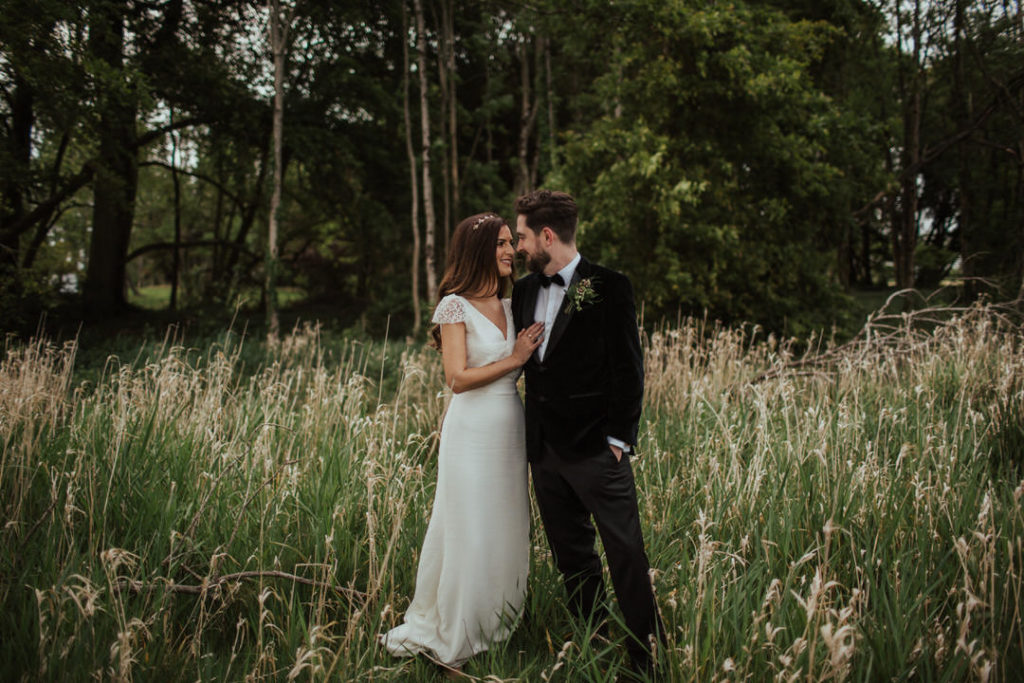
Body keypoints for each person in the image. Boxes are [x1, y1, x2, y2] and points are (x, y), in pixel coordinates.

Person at [380, 213, 545, 671]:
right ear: (477, 253)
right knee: (469, 525)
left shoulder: (513, 306)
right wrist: (515, 357)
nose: (510, 251)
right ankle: (458, 629)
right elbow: (456, 378)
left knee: (505, 524)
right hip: (471, 429)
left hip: (509, 426)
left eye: (512, 242)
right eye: (500, 244)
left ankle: (496, 623)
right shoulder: (455, 306)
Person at [511, 190, 664, 676]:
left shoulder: (608, 286)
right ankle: (594, 640)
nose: (518, 247)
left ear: (547, 236)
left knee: (625, 553)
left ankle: (646, 658)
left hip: (599, 451)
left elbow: (629, 368)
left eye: (522, 237)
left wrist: (620, 440)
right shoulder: (524, 290)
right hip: (545, 451)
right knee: (571, 555)